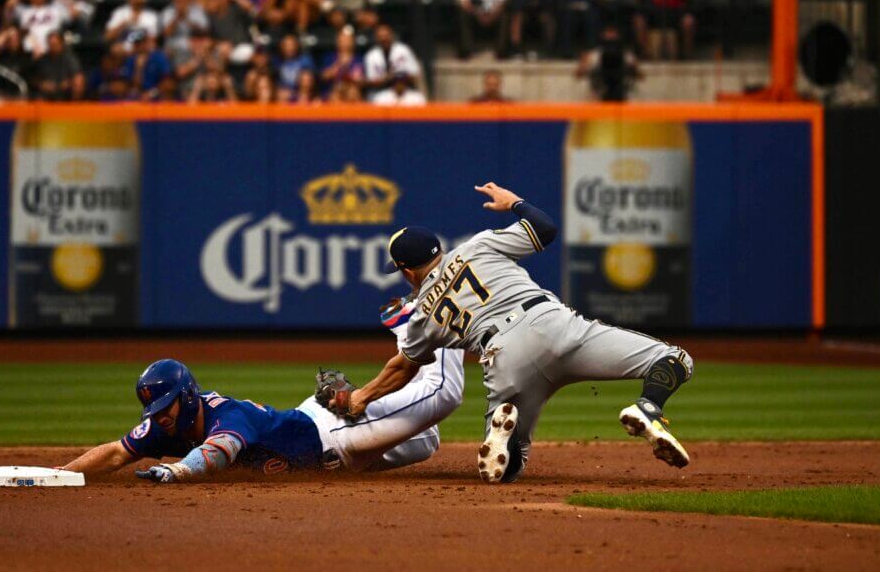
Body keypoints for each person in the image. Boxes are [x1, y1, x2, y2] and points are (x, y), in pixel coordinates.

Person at [333, 183, 694, 484]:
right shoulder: (477, 246)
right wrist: (514, 203)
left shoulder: (423, 314)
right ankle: (649, 407)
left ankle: (504, 427)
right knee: (674, 358)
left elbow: (402, 368)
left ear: (407, 272)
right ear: (439, 251)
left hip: (504, 358)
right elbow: (545, 229)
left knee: (508, 471)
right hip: (553, 325)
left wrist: (360, 399)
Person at [60, 298, 464, 480]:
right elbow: (116, 452)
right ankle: (407, 325)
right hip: (335, 447)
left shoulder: (226, 415)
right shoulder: (164, 427)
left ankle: (435, 315)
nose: (160, 417)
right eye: (155, 412)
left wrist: (179, 470)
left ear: (186, 398)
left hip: (334, 436)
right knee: (425, 440)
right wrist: (62, 474)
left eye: (166, 407)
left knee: (441, 392)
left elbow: (219, 453)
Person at [576, 23, 641, 102]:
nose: (611, 37)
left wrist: (634, 67)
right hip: (600, 93)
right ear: (602, 36)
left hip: (620, 92)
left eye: (613, 33)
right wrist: (583, 64)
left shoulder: (626, 54)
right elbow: (578, 74)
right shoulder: (596, 54)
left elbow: (640, 75)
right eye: (608, 33)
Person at [363, 24, 422, 102]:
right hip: (381, 92)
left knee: (419, 99)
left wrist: (399, 76)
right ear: (376, 38)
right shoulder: (371, 55)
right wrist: (388, 78)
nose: (384, 39)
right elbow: (371, 80)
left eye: (386, 36)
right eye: (380, 36)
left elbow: (415, 74)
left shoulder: (403, 50)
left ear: (392, 35)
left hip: (404, 90)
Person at [120, 28, 172, 96]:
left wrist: (151, 94)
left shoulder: (159, 57)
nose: (136, 46)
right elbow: (132, 85)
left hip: (157, 96)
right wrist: (139, 68)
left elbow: (167, 81)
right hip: (137, 96)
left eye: (139, 43)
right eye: (135, 43)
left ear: (146, 42)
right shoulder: (131, 59)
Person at [36, 30, 85, 100]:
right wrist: (42, 84)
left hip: (67, 92)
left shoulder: (70, 58)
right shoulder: (43, 60)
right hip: (47, 94)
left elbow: (78, 77)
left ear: (61, 43)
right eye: (51, 45)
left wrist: (67, 83)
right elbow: (35, 79)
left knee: (78, 83)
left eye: (55, 44)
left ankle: (75, 109)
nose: (53, 47)